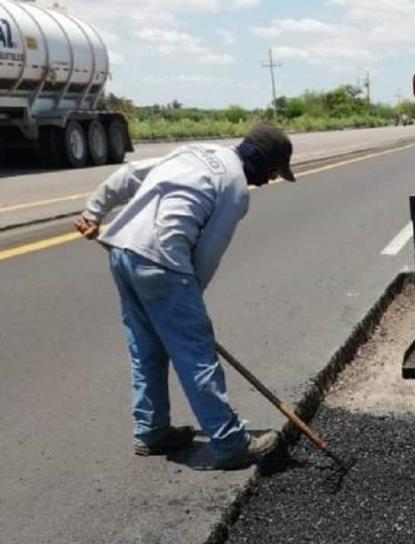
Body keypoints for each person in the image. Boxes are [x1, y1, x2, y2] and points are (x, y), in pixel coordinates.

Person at [73, 123, 297, 470]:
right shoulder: (235, 188)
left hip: (123, 251)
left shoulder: (197, 151)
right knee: (196, 354)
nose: (269, 179)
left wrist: (93, 210)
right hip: (162, 260)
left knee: (145, 346)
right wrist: (188, 309)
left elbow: (130, 175)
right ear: (260, 160)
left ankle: (152, 430)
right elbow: (207, 255)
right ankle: (229, 442)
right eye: (271, 171)